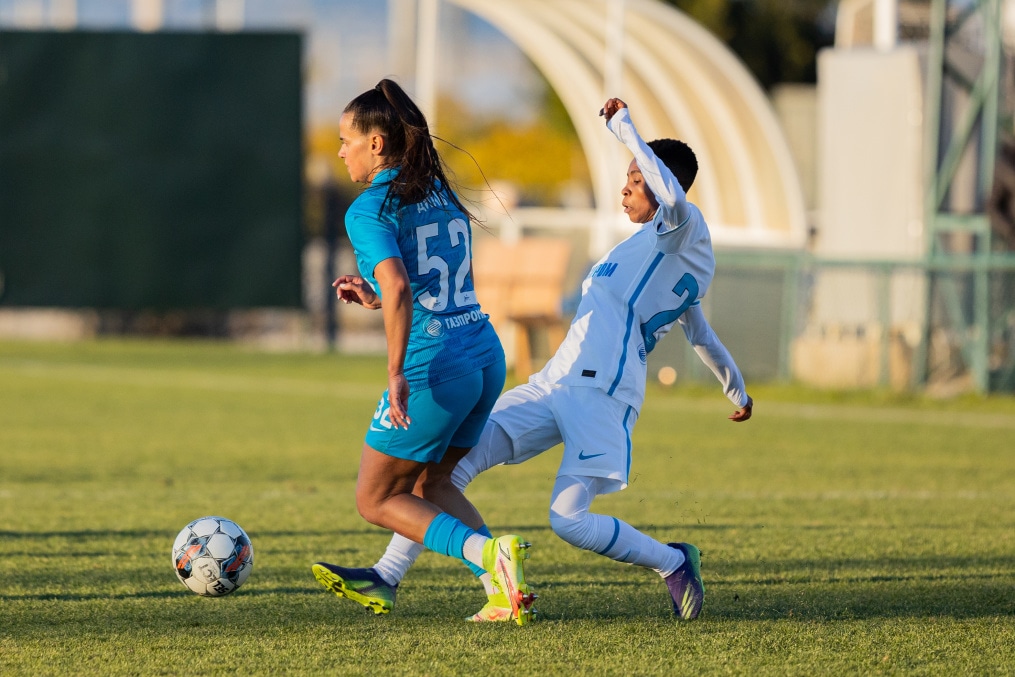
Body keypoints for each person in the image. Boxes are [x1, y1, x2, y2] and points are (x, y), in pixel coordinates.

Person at [318, 96, 753, 622]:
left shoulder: (684, 224)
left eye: (637, 179)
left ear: (666, 186)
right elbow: (700, 332)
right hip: (554, 384)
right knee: (438, 476)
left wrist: (624, 128)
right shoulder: (650, 248)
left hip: (602, 395)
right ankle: (391, 576)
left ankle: (673, 561)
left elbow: (672, 205)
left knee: (568, 521)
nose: (626, 186)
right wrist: (737, 389)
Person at [310, 79, 536, 625]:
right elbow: (420, 285)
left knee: (375, 500)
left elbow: (403, 288)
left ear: (377, 145)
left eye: (346, 140)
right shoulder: (435, 190)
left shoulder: (367, 210)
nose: (339, 151)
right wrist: (374, 297)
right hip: (484, 355)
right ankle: (503, 590)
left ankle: (489, 554)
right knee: (429, 484)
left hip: (435, 368)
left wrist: (394, 372)